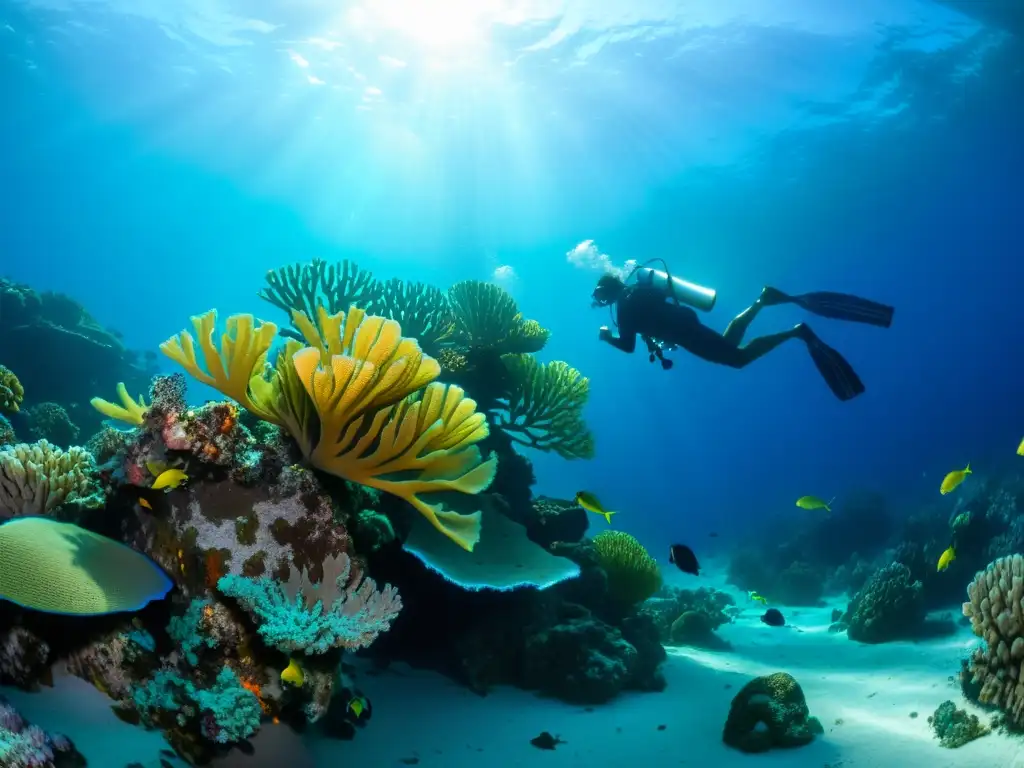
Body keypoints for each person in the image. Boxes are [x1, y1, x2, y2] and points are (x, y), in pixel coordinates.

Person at [592, 274, 893, 401]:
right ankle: (763, 300)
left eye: (601, 297)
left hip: (682, 332)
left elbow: (629, 346)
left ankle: (795, 330)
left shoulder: (624, 308)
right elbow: (664, 300)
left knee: (737, 359)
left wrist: (608, 337)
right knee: (730, 345)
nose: (602, 302)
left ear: (608, 294)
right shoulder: (640, 289)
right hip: (686, 323)